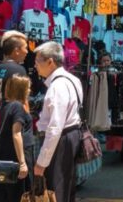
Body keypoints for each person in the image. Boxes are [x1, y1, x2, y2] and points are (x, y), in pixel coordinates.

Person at [34, 41, 84, 202]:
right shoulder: (72, 79)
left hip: (61, 139)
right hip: (70, 136)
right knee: (66, 186)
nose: (35, 66)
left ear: (50, 62)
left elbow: (55, 127)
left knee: (57, 189)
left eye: (37, 62)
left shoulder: (58, 86)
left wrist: (42, 162)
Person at [0, 74, 35, 202]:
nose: (30, 90)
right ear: (21, 89)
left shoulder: (4, 105)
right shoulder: (17, 107)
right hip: (17, 157)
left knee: (6, 193)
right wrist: (23, 163)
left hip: (6, 155)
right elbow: (16, 133)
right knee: (19, 194)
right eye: (28, 87)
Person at [0, 31, 28, 99]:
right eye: (25, 48)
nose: (27, 51)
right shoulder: (18, 70)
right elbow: (22, 100)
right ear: (17, 50)